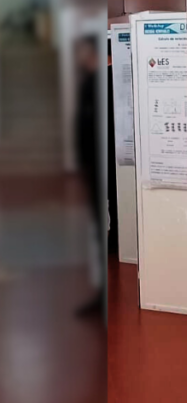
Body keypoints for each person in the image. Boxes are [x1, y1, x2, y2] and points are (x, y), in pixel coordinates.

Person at [74, 35, 105, 317]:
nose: (78, 57)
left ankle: (103, 294)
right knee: (95, 231)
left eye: (82, 52)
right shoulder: (87, 84)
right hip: (91, 170)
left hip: (101, 169)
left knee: (100, 231)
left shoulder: (100, 85)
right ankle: (101, 292)